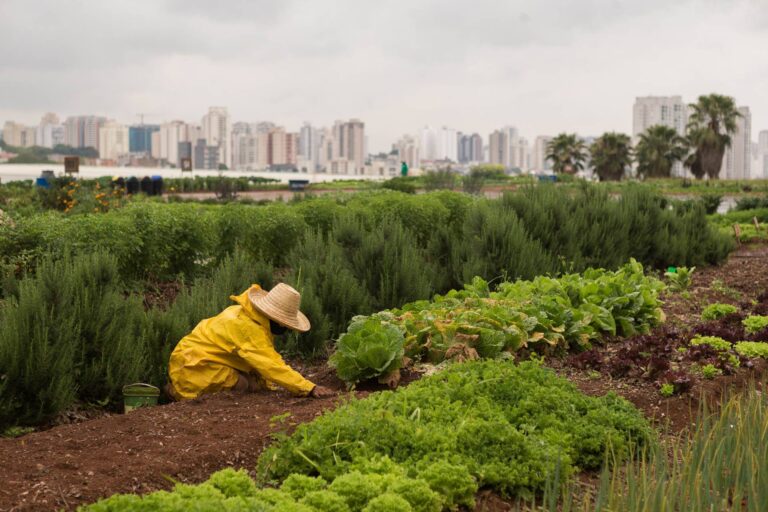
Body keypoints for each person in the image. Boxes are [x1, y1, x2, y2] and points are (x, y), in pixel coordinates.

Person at [166, 283, 334, 400]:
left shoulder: (249, 315)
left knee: (256, 383)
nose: (286, 329)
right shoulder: (249, 328)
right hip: (194, 367)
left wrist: (269, 385)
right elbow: (270, 365)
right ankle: (180, 392)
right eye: (286, 324)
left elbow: (262, 360)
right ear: (277, 320)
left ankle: (177, 388)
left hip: (195, 360)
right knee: (245, 386)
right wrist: (308, 387)